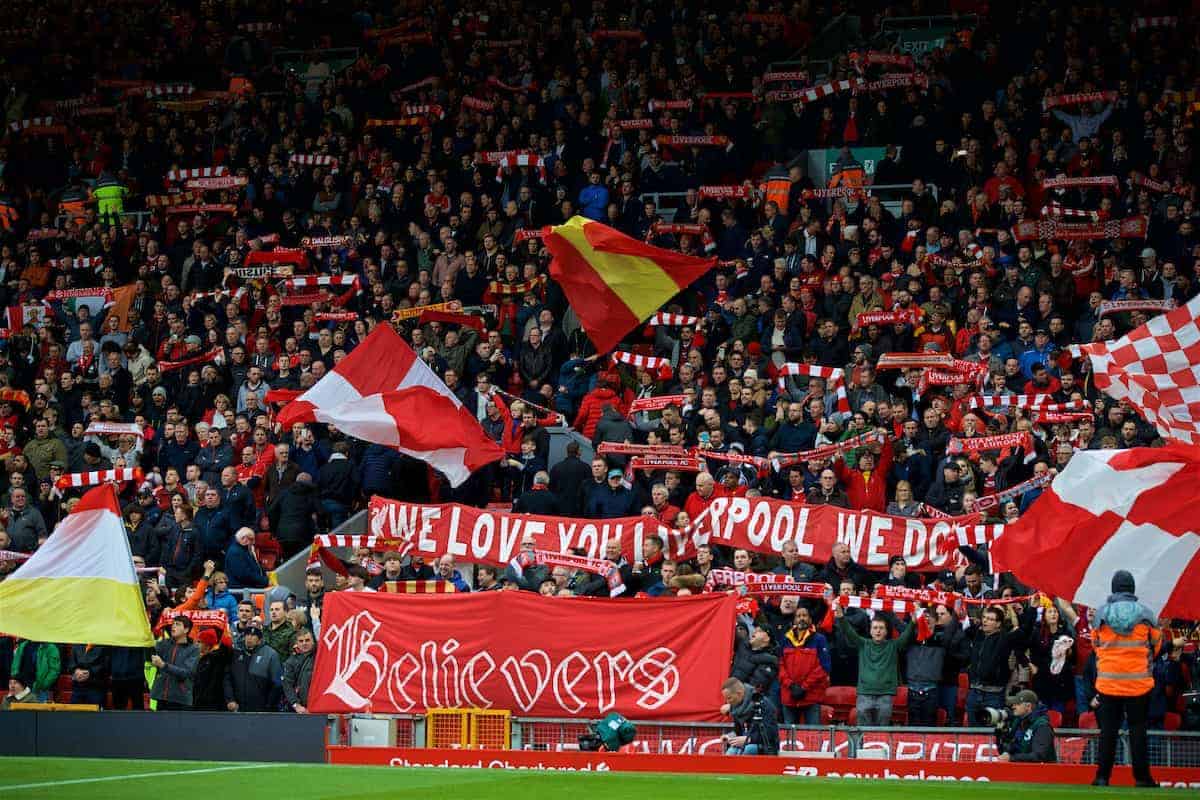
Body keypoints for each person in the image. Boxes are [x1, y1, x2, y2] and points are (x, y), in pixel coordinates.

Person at [1091, 570, 1163, 788]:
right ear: (1132, 588)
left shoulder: (1101, 614)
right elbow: (1157, 645)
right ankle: (1142, 778)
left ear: (1114, 588)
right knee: (1138, 730)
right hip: (1138, 684)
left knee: (1108, 731)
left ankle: (1102, 777)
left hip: (1108, 683)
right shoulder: (1147, 614)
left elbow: (1095, 645)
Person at [834, 600, 916, 725]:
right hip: (864, 694)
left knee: (881, 733)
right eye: (875, 628)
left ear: (886, 631)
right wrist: (840, 616)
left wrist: (914, 621)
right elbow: (848, 631)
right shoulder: (863, 644)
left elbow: (907, 635)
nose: (878, 631)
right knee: (863, 731)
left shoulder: (893, 645)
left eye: (881, 628)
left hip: (885, 695)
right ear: (871, 631)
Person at [778, 606, 830, 725]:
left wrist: (804, 687)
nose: (801, 618)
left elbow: (824, 666)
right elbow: (780, 665)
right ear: (794, 621)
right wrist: (790, 685)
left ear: (810, 620)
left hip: (811, 696)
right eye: (798, 616)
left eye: (804, 615)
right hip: (789, 696)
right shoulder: (785, 639)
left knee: (813, 735)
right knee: (789, 737)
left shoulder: (819, 639)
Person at [224, 624, 283, 712]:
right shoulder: (236, 653)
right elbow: (227, 679)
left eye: (253, 635)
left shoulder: (270, 654)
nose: (249, 638)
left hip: (261, 711)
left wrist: (268, 707)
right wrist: (230, 700)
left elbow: (277, 685)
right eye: (247, 634)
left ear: (259, 640)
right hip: (237, 708)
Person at [150, 616, 200, 710]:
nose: (173, 626)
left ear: (186, 630)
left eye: (177, 624)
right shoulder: (163, 644)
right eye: (173, 624)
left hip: (180, 699)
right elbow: (149, 655)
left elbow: (186, 673)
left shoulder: (194, 649)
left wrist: (163, 665)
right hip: (161, 696)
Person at [719, 677, 778, 755]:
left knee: (747, 750)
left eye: (729, 698)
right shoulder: (736, 707)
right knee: (730, 752)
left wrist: (749, 739)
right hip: (746, 743)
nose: (727, 702)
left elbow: (770, 733)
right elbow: (739, 731)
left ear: (739, 693)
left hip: (765, 745)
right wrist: (729, 737)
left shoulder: (763, 703)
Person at [995, 689, 1057, 763]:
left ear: (1028, 706)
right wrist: (1000, 734)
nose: (1013, 707)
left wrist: (1011, 758)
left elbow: (1038, 756)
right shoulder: (1018, 722)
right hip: (1022, 770)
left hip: (1042, 772)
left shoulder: (1042, 726)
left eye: (1017, 704)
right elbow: (1006, 750)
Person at [282, 628, 317, 713]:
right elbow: (287, 685)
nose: (304, 643)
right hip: (301, 709)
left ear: (313, 641)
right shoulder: (290, 662)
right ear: (297, 643)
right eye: (301, 641)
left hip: (319, 706)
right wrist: (296, 704)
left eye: (307, 640)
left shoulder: (320, 656)